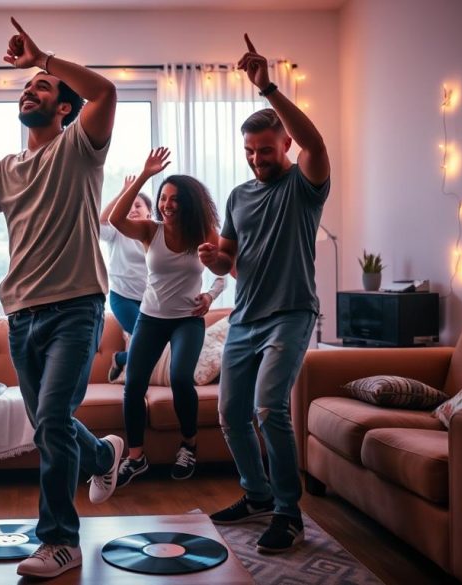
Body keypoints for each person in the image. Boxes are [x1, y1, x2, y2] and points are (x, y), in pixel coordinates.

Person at [0, 17, 125, 579]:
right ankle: (103, 455)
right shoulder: (8, 168)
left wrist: (43, 59)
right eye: (27, 88)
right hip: (21, 313)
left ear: (64, 108)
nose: (31, 91)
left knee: (49, 416)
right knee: (50, 422)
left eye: (41, 88)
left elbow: (106, 91)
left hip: (76, 305)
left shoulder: (80, 147)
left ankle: (60, 540)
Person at [199, 34, 330, 554]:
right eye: (250, 152)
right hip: (245, 317)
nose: (257, 160)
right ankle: (255, 495)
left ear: (285, 147)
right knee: (231, 413)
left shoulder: (305, 183)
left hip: (291, 315)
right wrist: (215, 260)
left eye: (266, 151)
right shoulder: (239, 195)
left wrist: (268, 88)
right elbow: (229, 259)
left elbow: (317, 144)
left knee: (269, 408)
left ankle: (288, 512)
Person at [109, 148, 222, 487]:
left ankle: (188, 445)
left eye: (174, 199)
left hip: (187, 319)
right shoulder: (150, 231)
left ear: (188, 202)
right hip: (151, 317)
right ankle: (136, 457)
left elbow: (223, 271)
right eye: (163, 198)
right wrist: (144, 175)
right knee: (133, 386)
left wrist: (210, 296)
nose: (166, 205)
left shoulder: (205, 232)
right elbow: (114, 220)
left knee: (179, 378)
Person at [99, 175, 151, 381]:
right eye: (129, 206)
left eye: (138, 205)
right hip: (122, 297)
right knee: (147, 338)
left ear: (149, 211)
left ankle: (121, 359)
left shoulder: (157, 232)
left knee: (157, 345)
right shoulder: (116, 232)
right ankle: (122, 361)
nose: (133, 209)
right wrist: (124, 193)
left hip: (151, 301)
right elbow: (101, 220)